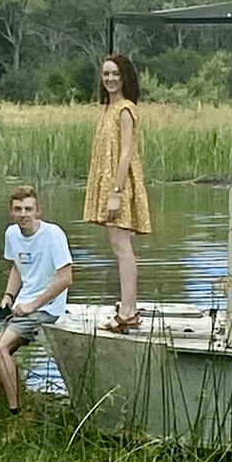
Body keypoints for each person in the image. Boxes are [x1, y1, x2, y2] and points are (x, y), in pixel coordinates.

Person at [0, 186, 73, 421]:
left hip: (47, 308)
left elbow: (66, 278)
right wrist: (8, 296)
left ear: (38, 210)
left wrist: (33, 304)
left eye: (28, 209)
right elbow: (17, 269)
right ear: (11, 212)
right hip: (22, 307)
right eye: (18, 209)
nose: (24, 214)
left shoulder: (53, 235)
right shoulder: (12, 234)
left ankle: (16, 413)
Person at [83, 52, 151, 333]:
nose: (110, 79)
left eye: (115, 74)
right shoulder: (107, 109)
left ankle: (129, 311)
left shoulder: (125, 109)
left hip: (119, 184)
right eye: (106, 74)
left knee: (123, 247)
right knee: (116, 246)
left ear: (125, 78)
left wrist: (116, 192)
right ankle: (126, 304)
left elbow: (125, 154)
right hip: (108, 182)